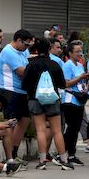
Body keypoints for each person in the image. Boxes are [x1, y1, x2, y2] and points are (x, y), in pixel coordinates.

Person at [22, 38, 72, 170]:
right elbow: (62, 84)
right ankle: (64, 160)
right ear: (49, 49)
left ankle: (42, 161)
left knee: (40, 130)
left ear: (36, 50)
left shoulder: (31, 65)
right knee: (57, 131)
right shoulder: (55, 65)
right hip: (52, 99)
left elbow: (24, 84)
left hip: (35, 99)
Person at [0, 29, 34, 162]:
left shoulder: (24, 51)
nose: (27, 48)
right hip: (9, 91)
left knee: (24, 120)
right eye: (26, 44)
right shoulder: (8, 52)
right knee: (11, 123)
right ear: (18, 40)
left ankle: (14, 151)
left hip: (23, 91)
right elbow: (22, 72)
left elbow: (29, 65)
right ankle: (9, 157)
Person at [61, 40, 89, 165]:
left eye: (81, 51)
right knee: (71, 128)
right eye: (77, 52)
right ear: (70, 53)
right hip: (69, 100)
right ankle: (63, 152)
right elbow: (66, 83)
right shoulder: (67, 65)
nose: (80, 54)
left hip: (79, 99)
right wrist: (81, 77)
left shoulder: (80, 65)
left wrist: (86, 80)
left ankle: (72, 154)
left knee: (75, 129)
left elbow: (81, 83)